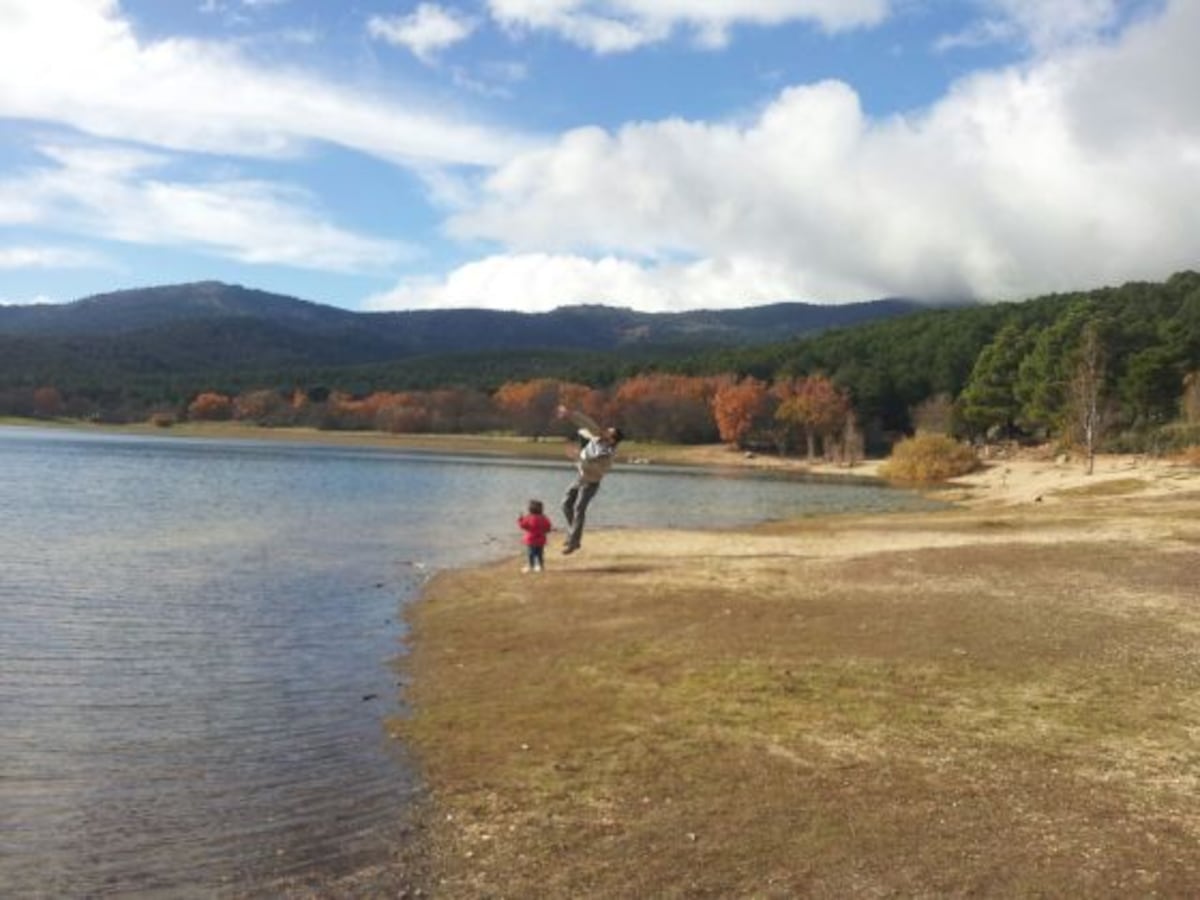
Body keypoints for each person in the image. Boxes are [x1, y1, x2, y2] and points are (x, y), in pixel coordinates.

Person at [556, 404, 624, 555]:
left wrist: (578, 457)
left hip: (591, 482)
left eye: (609, 432)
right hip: (580, 477)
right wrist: (570, 414)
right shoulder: (597, 436)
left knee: (579, 508)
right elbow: (587, 423)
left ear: (613, 440)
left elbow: (595, 468)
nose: (605, 432)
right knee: (565, 504)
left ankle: (573, 543)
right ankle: (572, 534)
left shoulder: (608, 455)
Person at [517, 499, 552, 573]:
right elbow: (548, 527)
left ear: (530, 509)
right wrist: (545, 531)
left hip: (531, 540)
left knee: (531, 554)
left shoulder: (528, 517)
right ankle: (540, 566)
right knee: (540, 554)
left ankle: (531, 566)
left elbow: (523, 526)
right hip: (541, 539)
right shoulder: (544, 518)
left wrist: (520, 519)